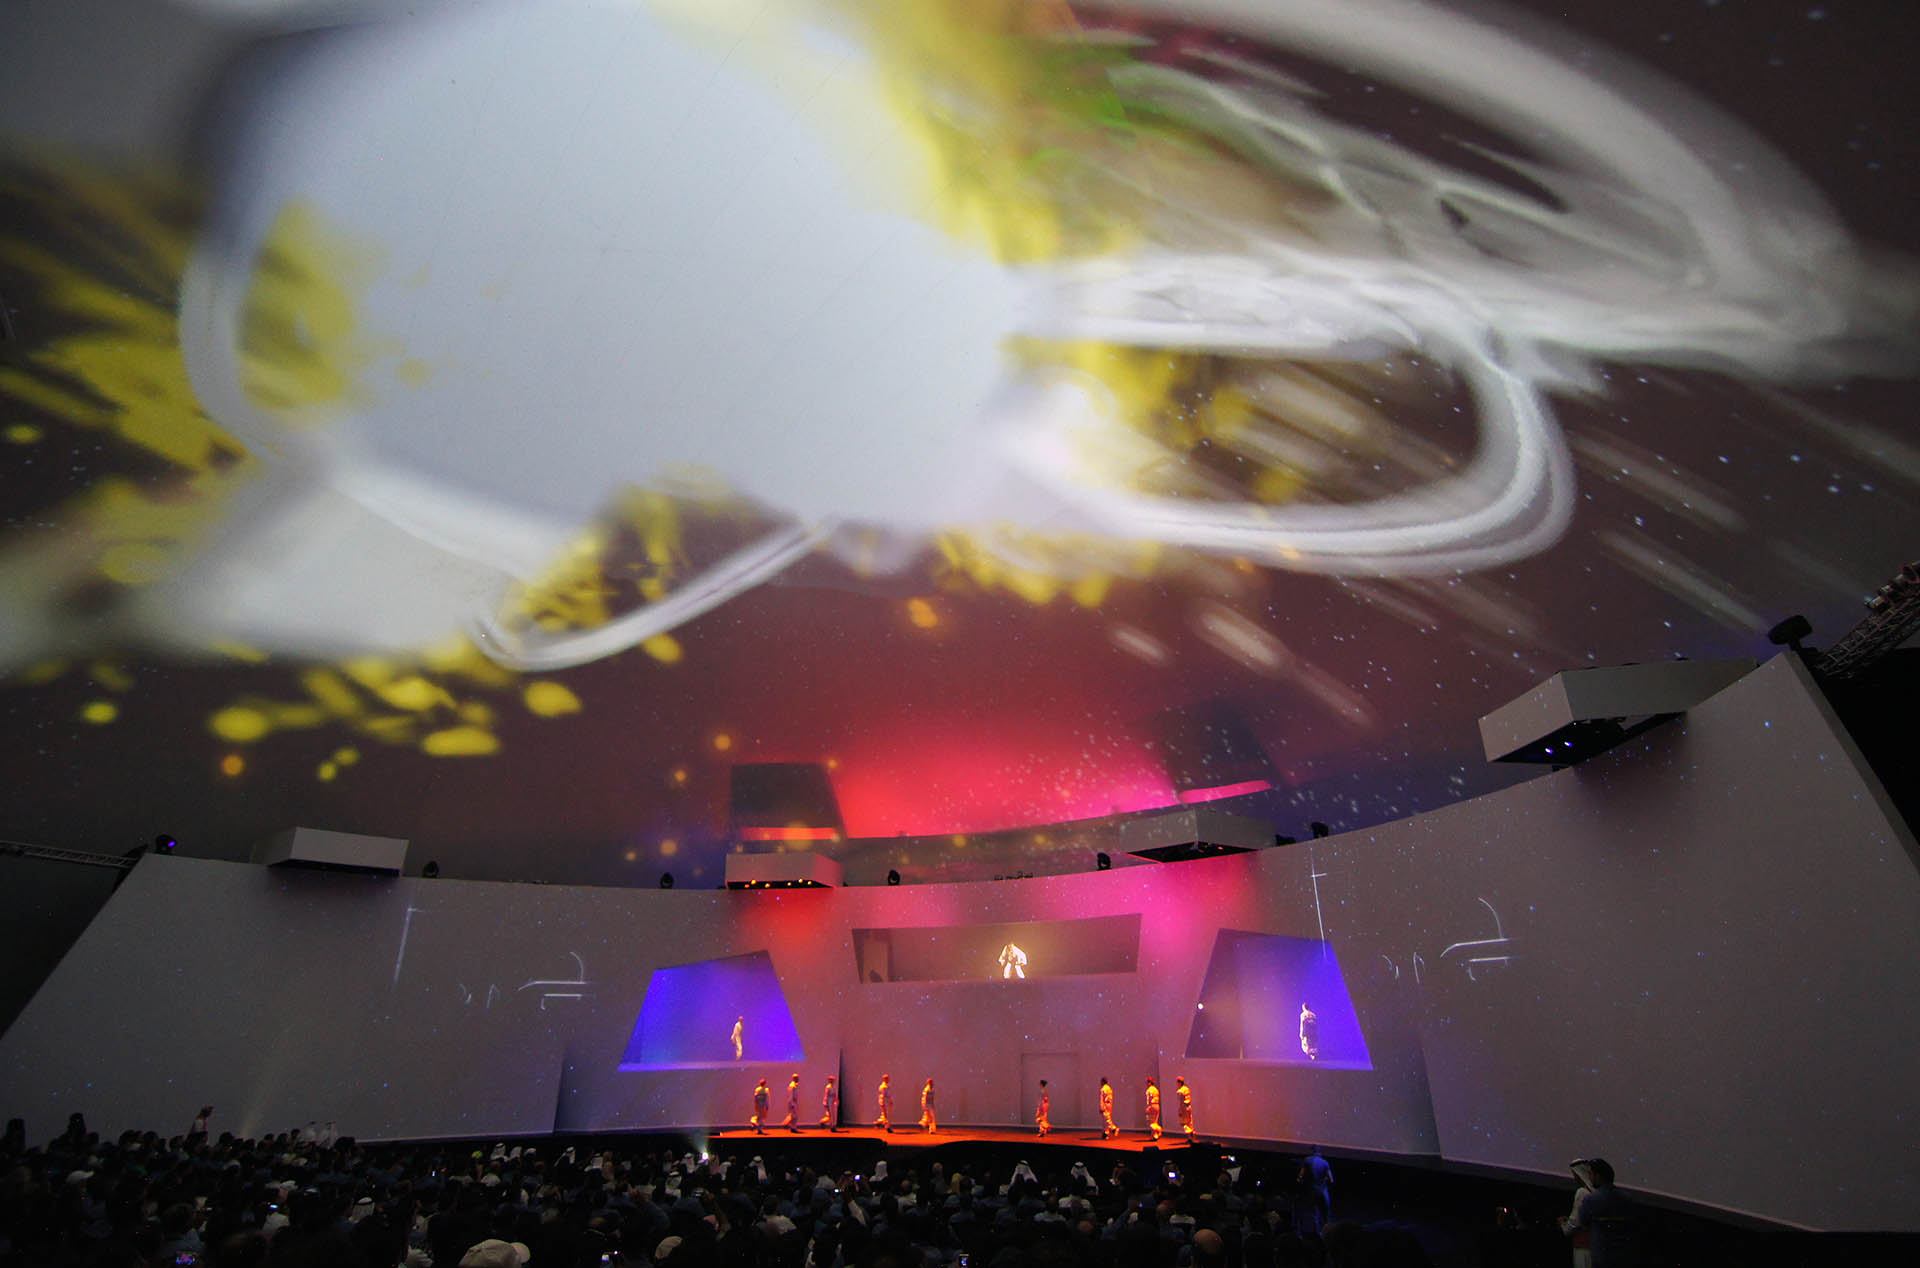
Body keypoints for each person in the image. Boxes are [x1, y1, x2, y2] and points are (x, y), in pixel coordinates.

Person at [1560, 1157, 1632, 1268]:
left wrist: (1564, 1226)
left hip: (1591, 1249)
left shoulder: (1586, 1194)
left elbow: (1579, 1221)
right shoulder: (1625, 1197)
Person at [1297, 1145, 1333, 1236]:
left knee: (1314, 1213)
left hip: (1312, 1191)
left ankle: (1317, 1234)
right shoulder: (1325, 1162)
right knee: (1325, 1213)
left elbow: (1300, 1177)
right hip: (1323, 1192)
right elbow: (1331, 1179)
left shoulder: (1307, 1160)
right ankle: (1326, 1232)